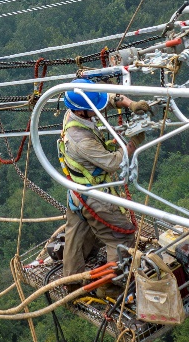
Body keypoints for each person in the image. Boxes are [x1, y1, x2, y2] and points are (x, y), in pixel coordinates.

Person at [57, 88, 151, 290]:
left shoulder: (73, 111)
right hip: (95, 196)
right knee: (122, 236)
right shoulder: (81, 140)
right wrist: (133, 143)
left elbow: (106, 99)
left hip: (77, 190)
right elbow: (113, 162)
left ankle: (72, 281)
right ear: (82, 111)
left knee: (76, 233)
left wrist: (129, 104)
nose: (98, 109)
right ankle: (111, 283)